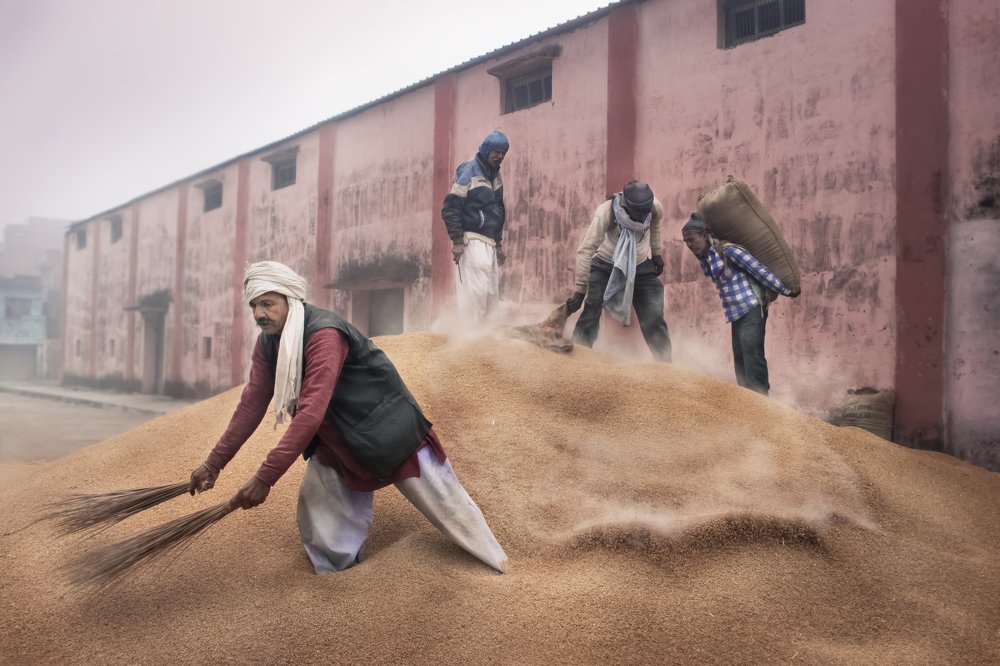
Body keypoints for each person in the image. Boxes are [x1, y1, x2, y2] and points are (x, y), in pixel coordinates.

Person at [189, 261, 507, 574]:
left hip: (389, 432)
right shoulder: (270, 342)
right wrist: (213, 463)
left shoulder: (324, 334)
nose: (259, 314)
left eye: (268, 304)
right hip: (338, 439)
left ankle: (498, 568)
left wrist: (264, 478)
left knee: (448, 507)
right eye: (254, 305)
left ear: (290, 299)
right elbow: (252, 403)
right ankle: (336, 581)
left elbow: (310, 411)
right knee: (320, 508)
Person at [681, 213, 800, 396]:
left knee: (753, 357)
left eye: (691, 239)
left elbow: (758, 270)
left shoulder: (729, 251)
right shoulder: (706, 258)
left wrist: (785, 289)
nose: (689, 244)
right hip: (735, 313)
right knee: (740, 360)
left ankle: (762, 402)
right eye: (685, 241)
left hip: (751, 307)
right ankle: (746, 402)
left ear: (705, 236)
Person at [564, 180, 672, 362]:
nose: (641, 218)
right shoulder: (605, 213)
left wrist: (657, 253)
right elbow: (586, 250)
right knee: (591, 310)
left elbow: (655, 227)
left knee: (654, 315)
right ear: (626, 206)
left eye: (644, 213)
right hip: (606, 263)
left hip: (640, 265)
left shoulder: (654, 208)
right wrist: (580, 290)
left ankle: (666, 366)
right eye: (637, 214)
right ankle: (578, 361)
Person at [441, 130, 509, 326]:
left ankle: (486, 345)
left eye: (503, 153)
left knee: (491, 299)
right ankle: (470, 345)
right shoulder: (469, 171)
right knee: (475, 298)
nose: (500, 156)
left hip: (489, 243)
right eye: (496, 151)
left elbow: (498, 212)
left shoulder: (496, 177)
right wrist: (458, 241)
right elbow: (450, 207)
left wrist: (498, 245)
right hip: (472, 241)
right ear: (487, 150)